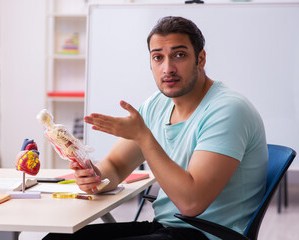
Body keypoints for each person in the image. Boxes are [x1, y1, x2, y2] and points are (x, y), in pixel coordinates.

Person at [43, 16, 268, 240]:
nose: (167, 68)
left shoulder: (228, 110)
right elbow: (115, 165)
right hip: (166, 227)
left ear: (200, 59)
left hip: (207, 234)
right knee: (55, 238)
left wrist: (144, 137)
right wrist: (95, 176)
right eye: (158, 57)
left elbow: (192, 203)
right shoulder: (156, 105)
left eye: (179, 55)